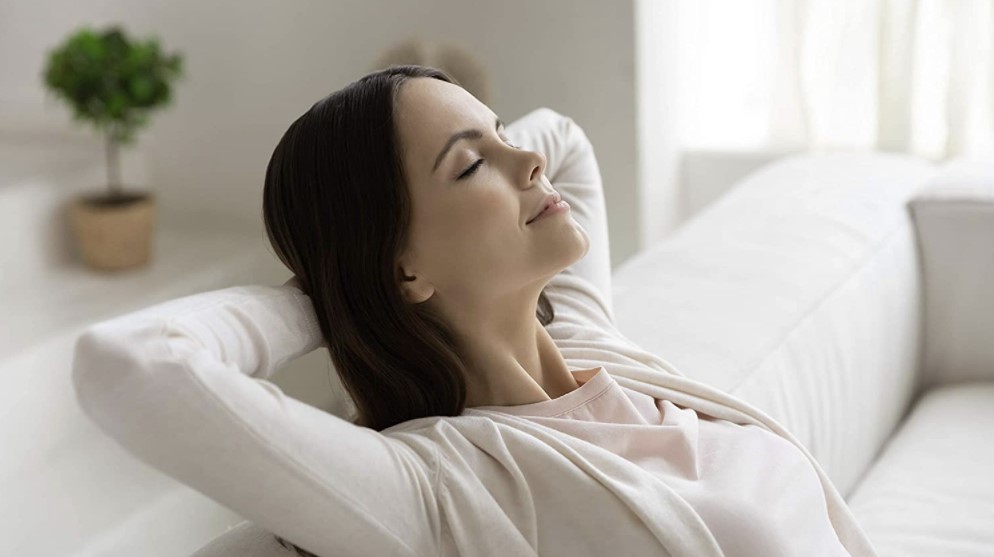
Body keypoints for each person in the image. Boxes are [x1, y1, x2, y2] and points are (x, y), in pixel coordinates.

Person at [71, 65, 876, 557]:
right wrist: (323, 299)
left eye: (497, 133)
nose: (525, 160)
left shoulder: (592, 341)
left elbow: (561, 138)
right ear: (403, 266)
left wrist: (380, 265)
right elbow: (131, 364)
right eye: (470, 166)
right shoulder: (441, 490)